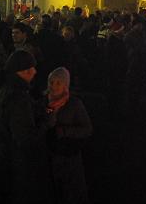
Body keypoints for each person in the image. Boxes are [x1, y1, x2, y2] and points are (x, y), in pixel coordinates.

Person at [0, 50, 64, 204]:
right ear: (22, 70)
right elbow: (25, 137)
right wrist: (47, 122)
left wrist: (36, 106)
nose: (35, 71)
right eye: (31, 68)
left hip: (3, 155)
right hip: (19, 163)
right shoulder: (17, 96)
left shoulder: (1, 88)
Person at [44, 67, 93, 204]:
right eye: (51, 82)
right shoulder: (44, 102)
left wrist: (65, 131)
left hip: (69, 157)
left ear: (65, 85)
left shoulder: (74, 104)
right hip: (50, 156)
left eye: (58, 83)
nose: (53, 86)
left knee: (72, 192)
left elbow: (87, 129)